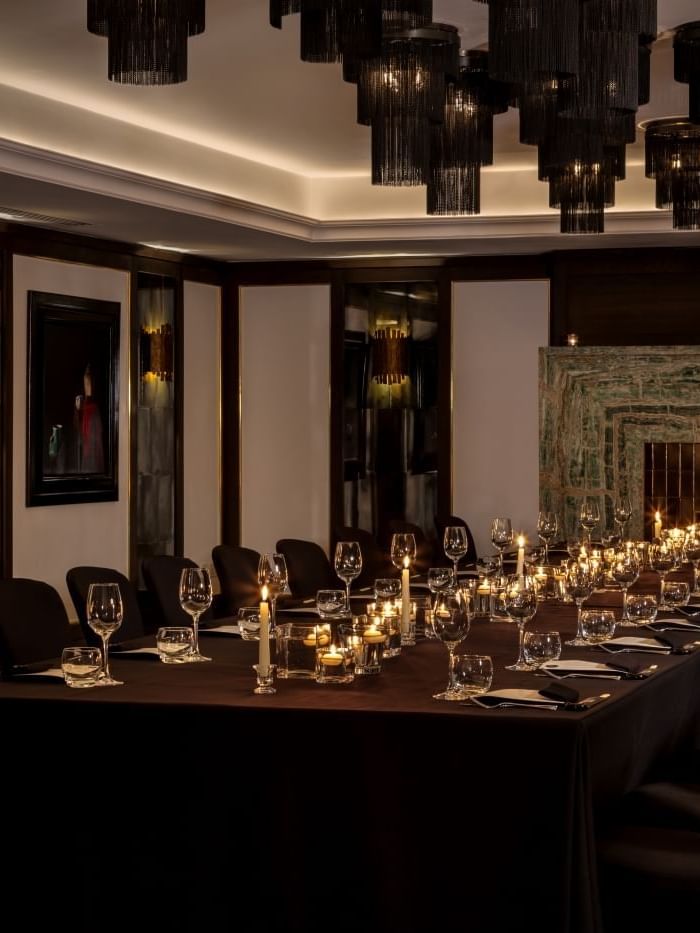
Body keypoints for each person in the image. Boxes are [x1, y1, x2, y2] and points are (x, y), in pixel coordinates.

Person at [74, 363, 104, 473]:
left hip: (92, 454)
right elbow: (78, 429)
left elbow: (96, 441)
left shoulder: (94, 409)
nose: (87, 385)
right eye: (86, 382)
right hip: (85, 452)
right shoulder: (83, 405)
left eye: (89, 382)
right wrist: (77, 411)